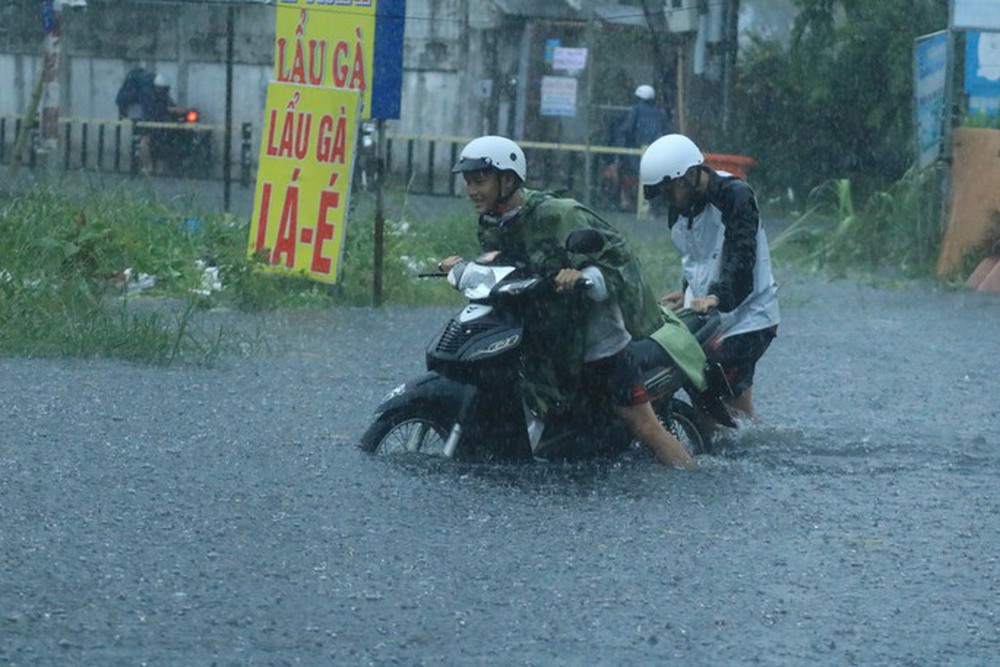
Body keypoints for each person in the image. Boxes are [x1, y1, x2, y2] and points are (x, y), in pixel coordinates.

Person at [439, 135, 695, 468]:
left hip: (598, 343)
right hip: (546, 341)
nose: (472, 190)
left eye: (480, 181)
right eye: (468, 182)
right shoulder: (493, 222)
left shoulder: (559, 215)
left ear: (508, 179)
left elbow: (618, 259)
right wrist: (464, 268)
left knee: (643, 425)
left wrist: (585, 274)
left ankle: (691, 476)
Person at [639, 133, 780, 423]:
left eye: (670, 190)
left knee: (712, 381)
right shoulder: (679, 208)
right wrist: (688, 291)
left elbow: (741, 255)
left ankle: (742, 447)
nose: (667, 199)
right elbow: (696, 257)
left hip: (750, 315)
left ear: (690, 175)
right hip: (709, 313)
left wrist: (718, 296)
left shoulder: (735, 195)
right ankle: (727, 441)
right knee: (713, 391)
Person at [612, 85, 674, 210]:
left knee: (624, 172)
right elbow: (668, 132)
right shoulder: (660, 113)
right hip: (657, 155)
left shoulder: (636, 111)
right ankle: (650, 206)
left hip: (636, 155)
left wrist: (620, 148)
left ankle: (625, 201)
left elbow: (626, 129)